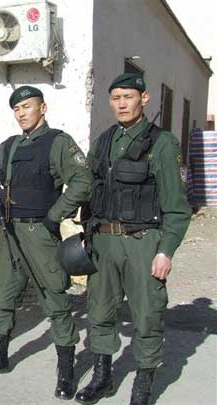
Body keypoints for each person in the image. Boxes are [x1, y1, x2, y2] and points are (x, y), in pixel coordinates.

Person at [74, 73, 192, 405]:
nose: (122, 103)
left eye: (128, 96)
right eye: (116, 98)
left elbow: (176, 207)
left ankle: (142, 385)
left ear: (144, 98)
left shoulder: (163, 143)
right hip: (104, 242)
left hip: (143, 243)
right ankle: (102, 377)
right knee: (100, 311)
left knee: (146, 314)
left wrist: (165, 251)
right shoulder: (103, 140)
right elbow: (89, 189)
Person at [0, 86, 93, 400]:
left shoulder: (58, 143)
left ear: (43, 108)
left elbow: (82, 181)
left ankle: (66, 370)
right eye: (17, 108)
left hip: (40, 235)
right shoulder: (10, 146)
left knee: (54, 298)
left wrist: (55, 216)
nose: (22, 113)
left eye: (27, 106)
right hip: (8, 233)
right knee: (3, 295)